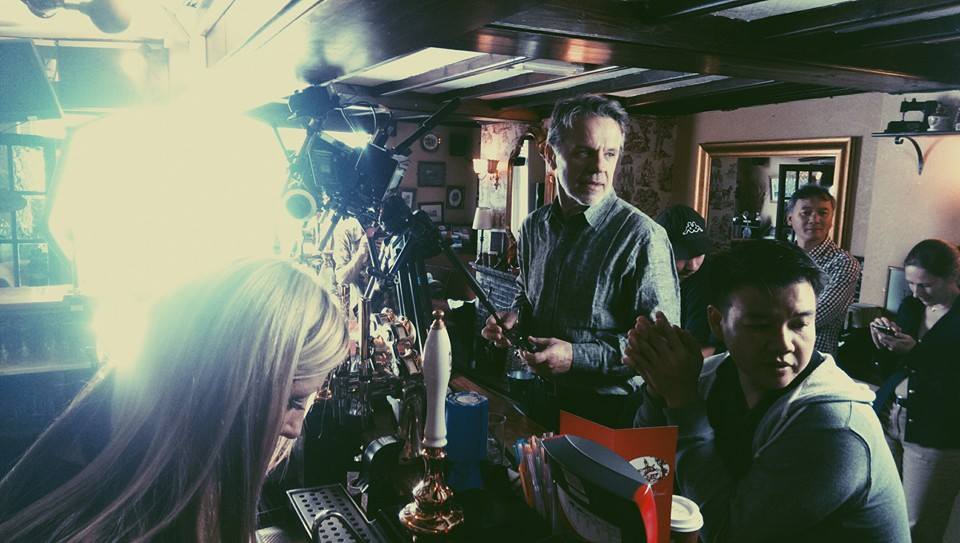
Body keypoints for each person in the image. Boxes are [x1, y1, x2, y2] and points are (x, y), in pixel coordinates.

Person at [0, 258, 349, 542]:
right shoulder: (88, 524)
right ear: (225, 384)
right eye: (292, 402)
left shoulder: (141, 451)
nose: (294, 429)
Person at [628, 240, 909, 542]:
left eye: (799, 324)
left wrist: (683, 402)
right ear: (717, 322)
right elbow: (645, 471)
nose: (784, 344)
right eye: (760, 326)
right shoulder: (711, 375)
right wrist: (658, 386)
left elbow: (726, 535)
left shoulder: (836, 425)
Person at [482, 94, 680, 428]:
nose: (599, 167)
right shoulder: (532, 227)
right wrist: (515, 318)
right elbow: (526, 296)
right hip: (536, 399)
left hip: (609, 414)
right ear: (550, 156)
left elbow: (660, 350)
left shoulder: (643, 237)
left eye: (610, 153)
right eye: (584, 152)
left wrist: (576, 357)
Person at [871, 239, 960, 543]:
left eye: (926, 285)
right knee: (880, 510)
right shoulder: (910, 307)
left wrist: (916, 351)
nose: (916, 293)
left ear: (952, 276)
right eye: (910, 283)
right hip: (891, 415)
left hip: (936, 431)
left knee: (916, 526)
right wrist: (883, 340)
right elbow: (892, 368)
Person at [786, 184, 861, 357]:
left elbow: (816, 316)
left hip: (813, 357)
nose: (815, 219)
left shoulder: (843, 263)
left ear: (832, 219)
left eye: (823, 213)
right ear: (790, 218)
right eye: (806, 212)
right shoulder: (781, 258)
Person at [655, 204, 718, 358]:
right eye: (682, 255)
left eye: (699, 253)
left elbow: (705, 348)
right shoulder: (648, 275)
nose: (693, 265)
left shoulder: (707, 280)